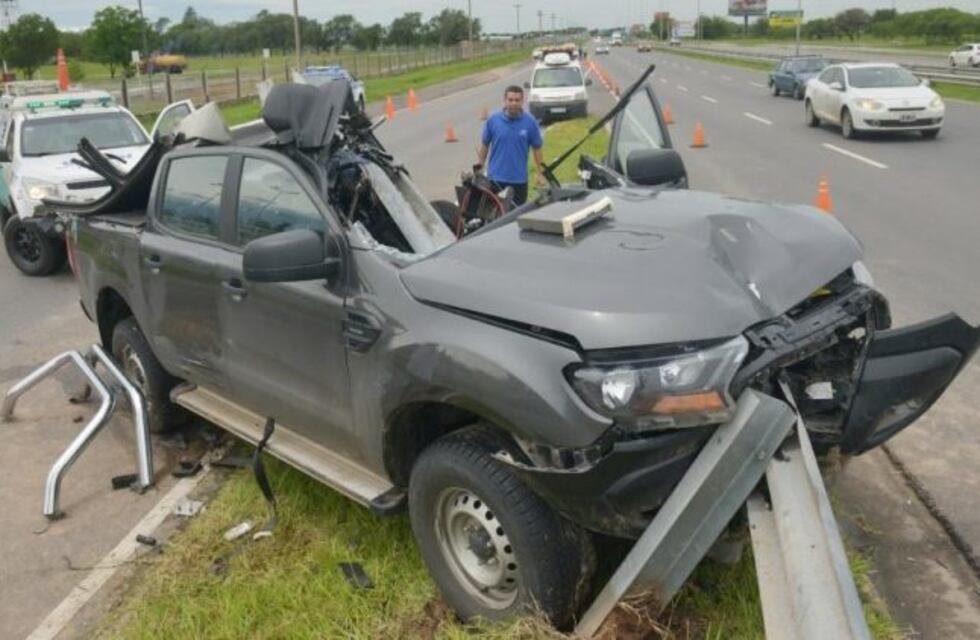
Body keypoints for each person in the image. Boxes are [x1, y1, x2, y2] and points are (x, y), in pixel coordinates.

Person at [477, 85, 545, 206]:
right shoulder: (493, 120)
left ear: (522, 101)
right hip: (496, 180)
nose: (513, 103)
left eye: (517, 100)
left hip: (519, 181)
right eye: (510, 100)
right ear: (505, 100)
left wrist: (540, 173)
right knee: (496, 217)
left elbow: (537, 148)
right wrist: (480, 167)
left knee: (516, 218)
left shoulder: (530, 122)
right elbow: (485, 145)